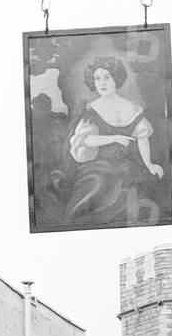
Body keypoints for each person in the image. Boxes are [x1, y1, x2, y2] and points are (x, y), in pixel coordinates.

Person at [65, 56, 165, 227]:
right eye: (97, 78)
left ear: (116, 78)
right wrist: (114, 138)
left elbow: (142, 137)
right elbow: (86, 139)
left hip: (128, 164)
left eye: (107, 77)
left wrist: (149, 163)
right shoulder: (91, 109)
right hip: (98, 167)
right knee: (96, 187)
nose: (102, 83)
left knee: (142, 185)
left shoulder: (133, 108)